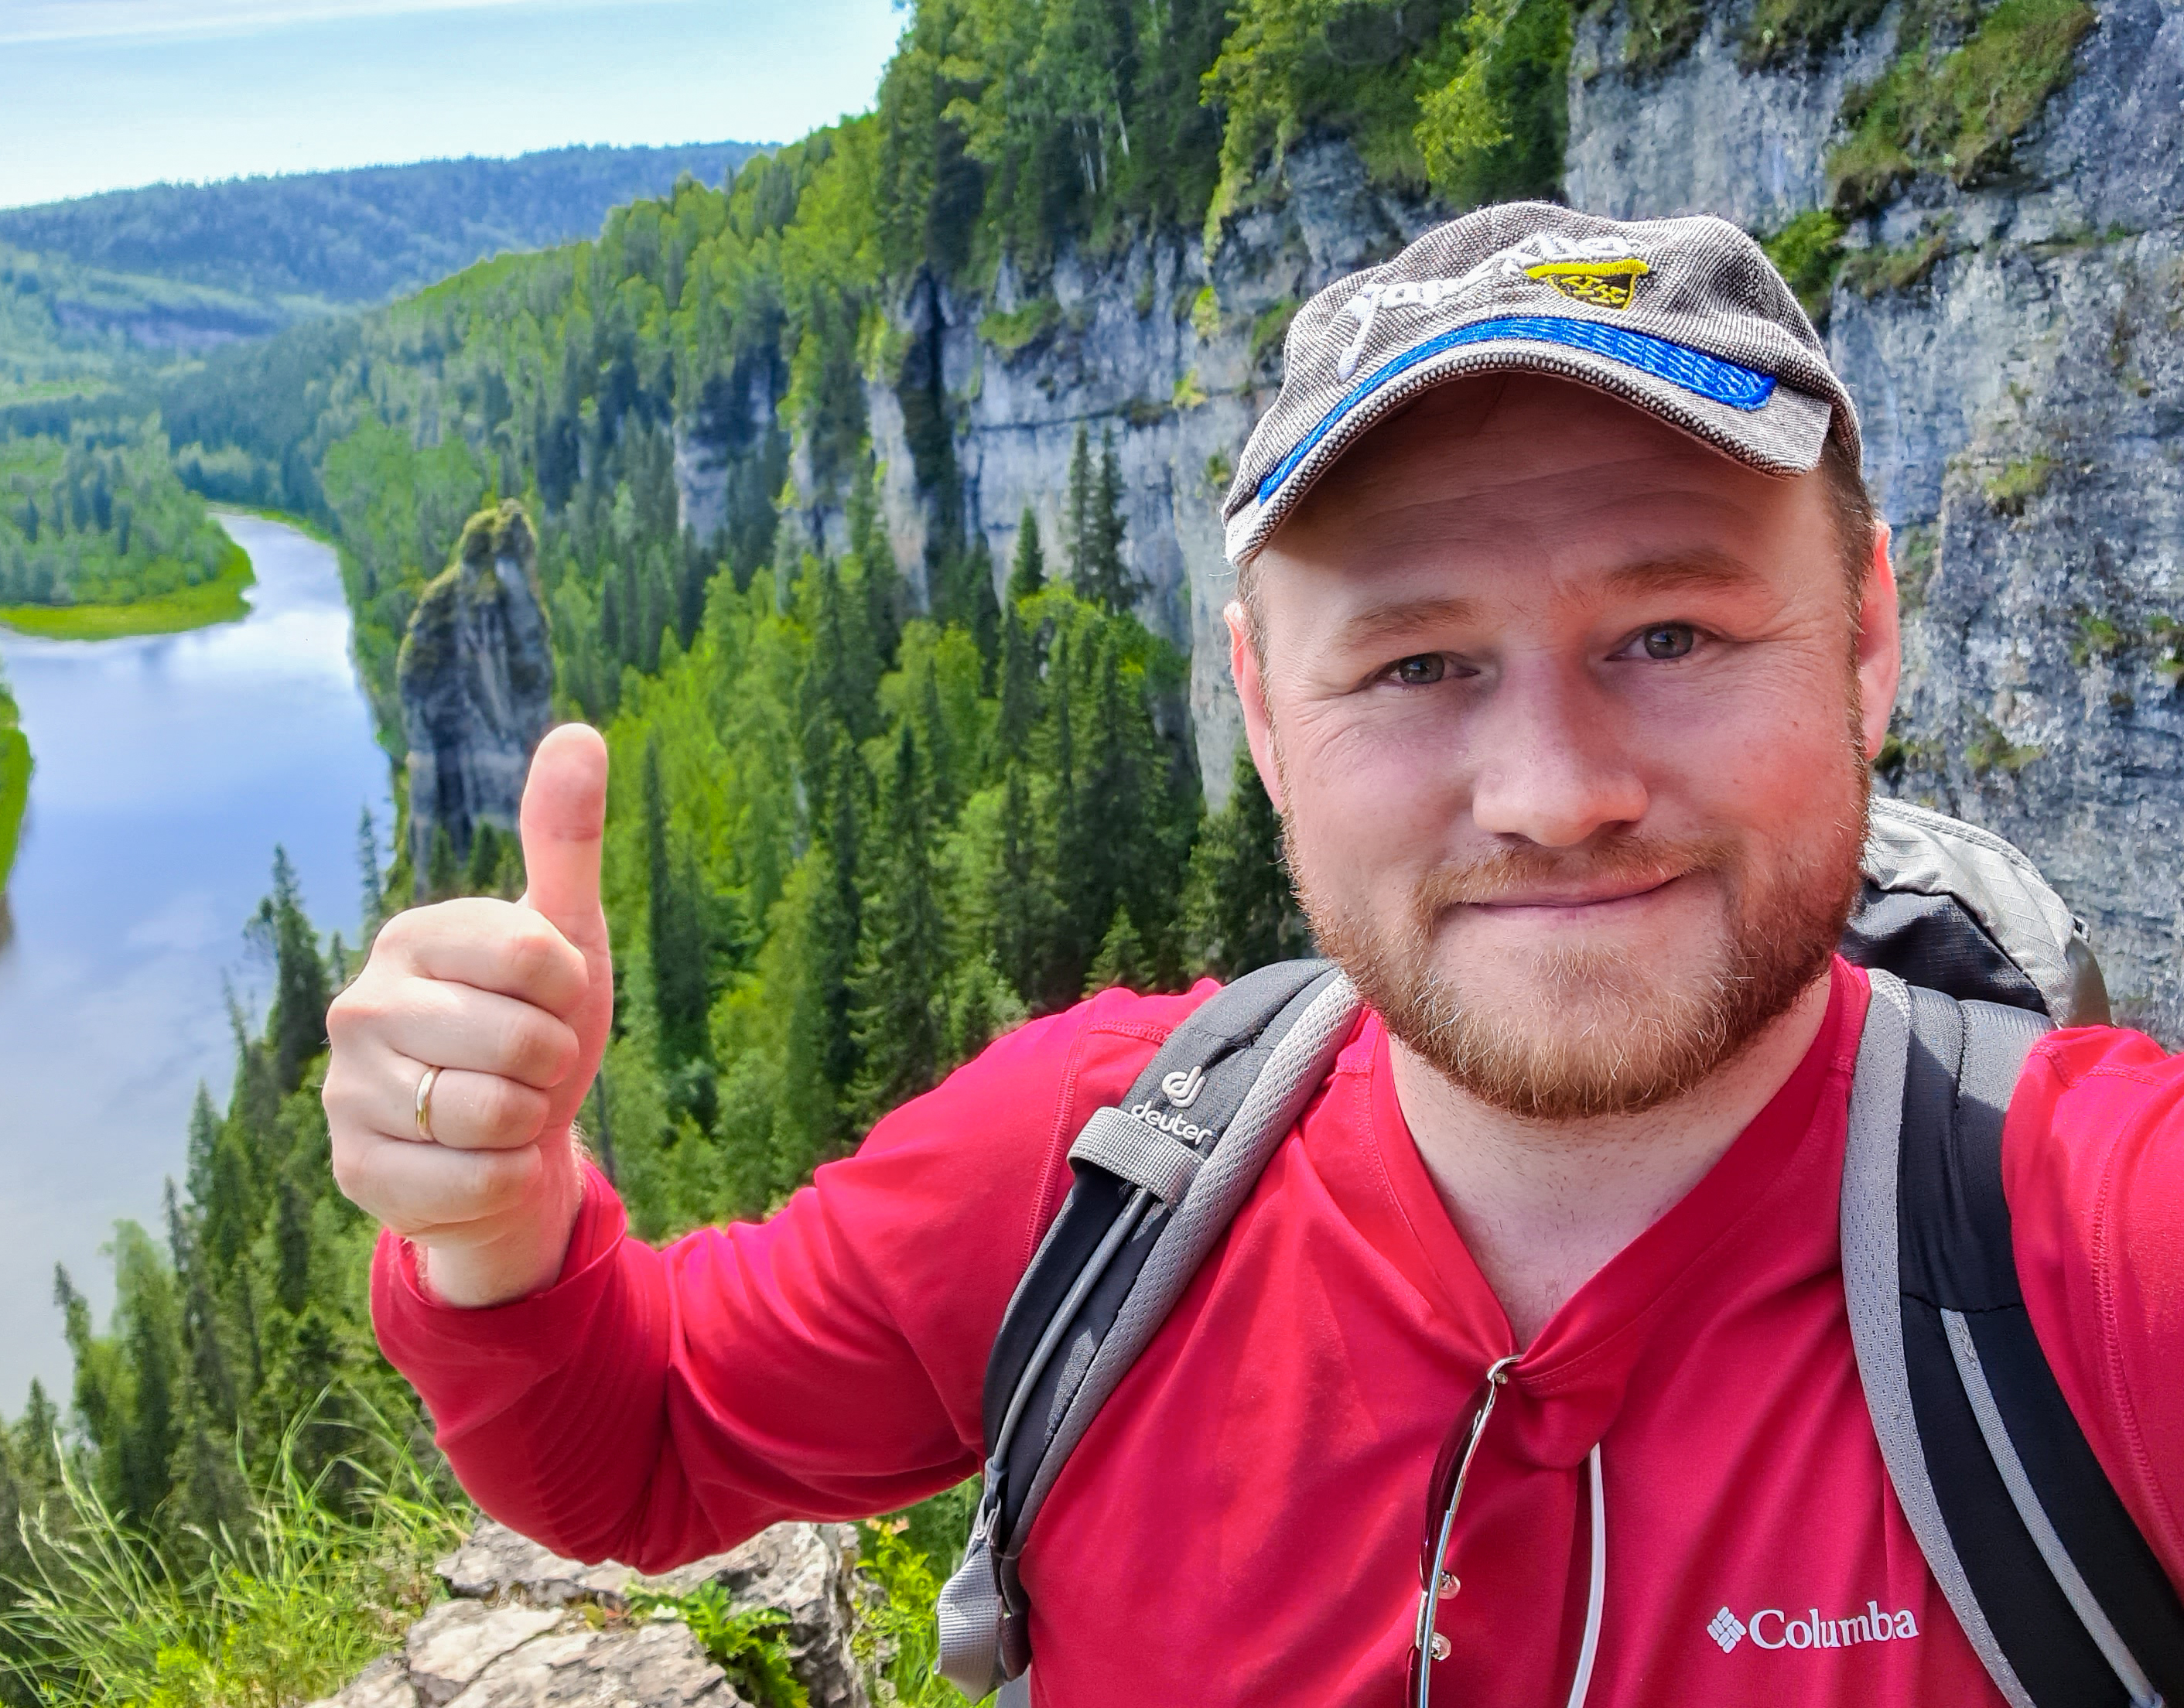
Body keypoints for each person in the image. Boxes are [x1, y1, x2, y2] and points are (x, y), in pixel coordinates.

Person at [322, 204, 2184, 1706]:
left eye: (1673, 631)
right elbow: (626, 1443)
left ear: (1864, 637)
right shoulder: (1100, 1162)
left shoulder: (2098, 1249)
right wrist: (496, 1229)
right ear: (1263, 714)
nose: (1550, 792)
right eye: (1413, 663)